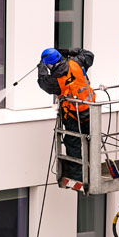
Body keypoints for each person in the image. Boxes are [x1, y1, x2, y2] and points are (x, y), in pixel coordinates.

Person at [37, 47, 95, 186]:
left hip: (72, 115)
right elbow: (89, 54)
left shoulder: (56, 80)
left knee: (73, 143)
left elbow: (42, 82)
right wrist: (68, 51)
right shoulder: (76, 63)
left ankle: (77, 175)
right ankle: (92, 171)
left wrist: (41, 67)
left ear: (49, 65)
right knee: (91, 141)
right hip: (90, 109)